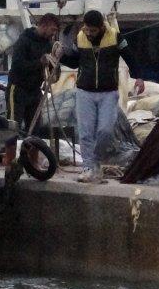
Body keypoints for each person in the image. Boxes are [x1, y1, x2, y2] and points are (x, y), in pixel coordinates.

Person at [59, 10, 143, 184]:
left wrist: (139, 78)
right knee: (85, 132)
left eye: (93, 31)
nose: (89, 34)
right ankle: (89, 167)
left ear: (101, 27)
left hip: (108, 92)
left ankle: (95, 161)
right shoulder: (80, 38)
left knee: (105, 131)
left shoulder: (115, 38)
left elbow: (131, 58)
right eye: (87, 29)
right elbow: (75, 61)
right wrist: (60, 56)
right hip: (84, 92)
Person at [7, 14, 60, 134]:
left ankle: (30, 152)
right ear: (44, 26)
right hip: (18, 90)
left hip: (35, 91)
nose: (54, 33)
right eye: (53, 30)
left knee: (34, 129)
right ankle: (10, 152)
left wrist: (55, 61)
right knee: (12, 128)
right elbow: (17, 65)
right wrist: (40, 62)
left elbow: (54, 71)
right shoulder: (24, 40)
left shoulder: (49, 45)